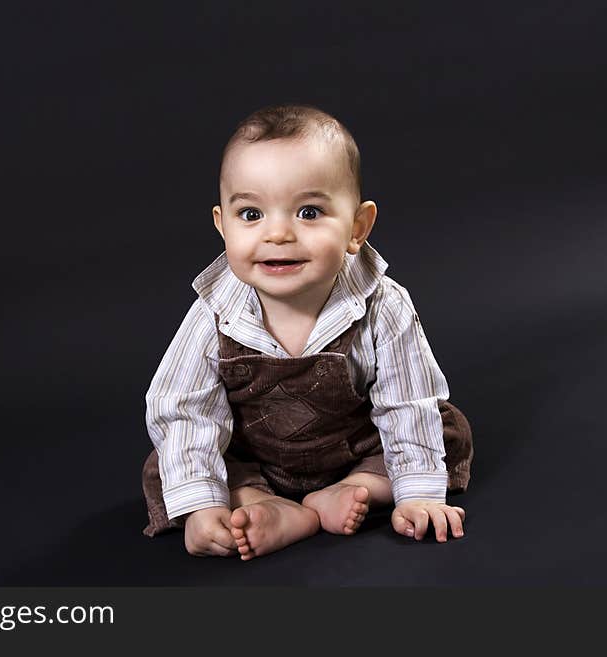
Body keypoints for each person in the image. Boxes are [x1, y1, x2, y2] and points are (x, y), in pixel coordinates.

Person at [141, 103, 474, 561]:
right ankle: (264, 505)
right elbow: (184, 408)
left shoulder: (383, 304)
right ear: (222, 226)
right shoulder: (213, 313)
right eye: (252, 215)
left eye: (310, 212)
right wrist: (200, 505)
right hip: (257, 459)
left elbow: (406, 400)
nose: (278, 234)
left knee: (444, 428)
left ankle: (355, 489)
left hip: (354, 451)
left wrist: (418, 494)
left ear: (358, 228)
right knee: (170, 465)